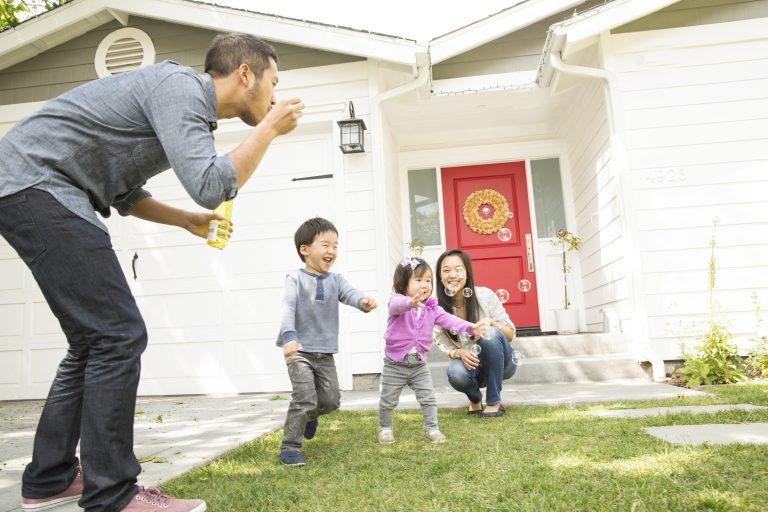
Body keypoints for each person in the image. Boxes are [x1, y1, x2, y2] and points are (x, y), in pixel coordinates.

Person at [0, 32, 304, 512]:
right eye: (273, 81)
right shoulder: (180, 90)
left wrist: (183, 219)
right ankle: (114, 495)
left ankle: (49, 479)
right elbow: (209, 185)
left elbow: (124, 191)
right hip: (40, 184)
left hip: (29, 185)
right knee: (118, 335)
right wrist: (266, 128)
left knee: (93, 340)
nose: (274, 93)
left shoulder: (178, 103)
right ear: (246, 74)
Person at [276, 217, 377, 466]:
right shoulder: (295, 279)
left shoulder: (336, 280)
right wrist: (289, 337)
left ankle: (310, 417)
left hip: (325, 352)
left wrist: (362, 302)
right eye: (325, 245)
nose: (331, 250)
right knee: (304, 397)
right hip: (299, 350)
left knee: (331, 400)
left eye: (335, 245)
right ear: (305, 249)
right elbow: (287, 308)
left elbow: (350, 294)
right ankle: (290, 447)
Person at [378, 257, 489, 445]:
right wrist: (410, 303)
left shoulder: (432, 308)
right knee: (388, 400)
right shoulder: (398, 301)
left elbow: (452, 321)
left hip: (419, 365)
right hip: (394, 364)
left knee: (428, 398)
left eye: (428, 280)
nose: (425, 284)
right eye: (419, 280)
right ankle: (385, 428)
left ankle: (432, 428)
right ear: (403, 283)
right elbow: (396, 305)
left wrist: (471, 327)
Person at [433, 249, 518, 418]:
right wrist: (459, 352)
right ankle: (475, 399)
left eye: (458, 269)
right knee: (455, 373)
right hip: (472, 367)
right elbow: (442, 342)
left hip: (501, 364)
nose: (452, 275)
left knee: (491, 333)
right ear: (440, 276)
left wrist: (492, 323)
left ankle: (494, 402)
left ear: (467, 272)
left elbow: (510, 334)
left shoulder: (485, 296)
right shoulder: (437, 309)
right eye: (446, 270)